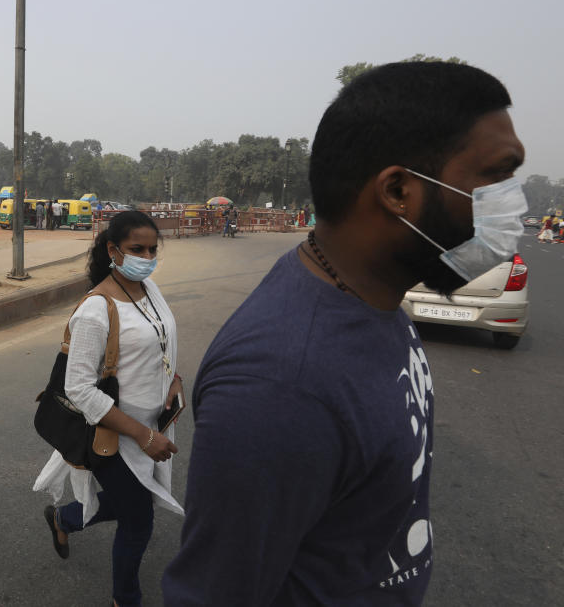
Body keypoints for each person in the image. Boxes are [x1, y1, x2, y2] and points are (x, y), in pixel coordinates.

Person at [163, 62, 527, 605]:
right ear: (399, 191)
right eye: (497, 177)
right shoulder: (282, 384)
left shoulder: (377, 299)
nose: (514, 206)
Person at [34, 210, 184, 607]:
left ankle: (65, 518)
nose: (147, 256)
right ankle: (126, 599)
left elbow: (163, 340)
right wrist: (142, 434)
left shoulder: (149, 288)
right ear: (113, 250)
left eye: (153, 249)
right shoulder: (95, 310)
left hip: (151, 425)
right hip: (112, 433)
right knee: (138, 520)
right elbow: (79, 389)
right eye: (138, 249)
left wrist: (174, 380)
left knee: (135, 501)